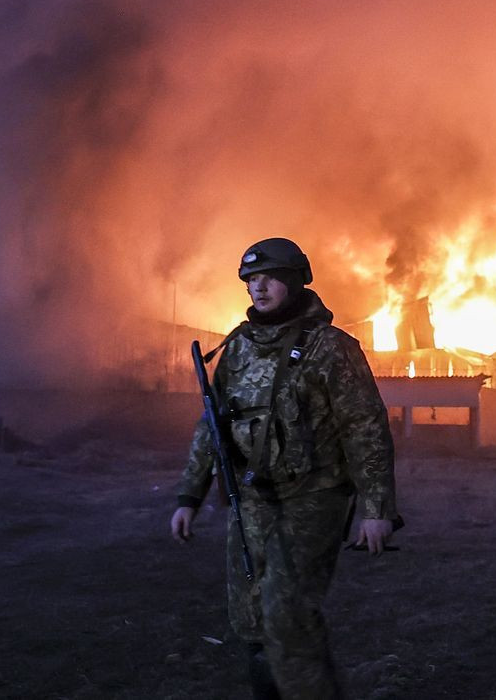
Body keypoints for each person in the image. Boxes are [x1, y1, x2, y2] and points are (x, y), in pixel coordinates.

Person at [170, 237, 399, 700]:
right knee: (251, 621)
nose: (258, 288)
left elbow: (365, 429)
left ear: (294, 280)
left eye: (268, 277)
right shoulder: (235, 349)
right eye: (251, 280)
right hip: (251, 500)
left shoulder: (331, 349)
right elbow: (211, 426)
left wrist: (377, 509)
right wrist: (189, 496)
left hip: (315, 497)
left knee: (287, 614)